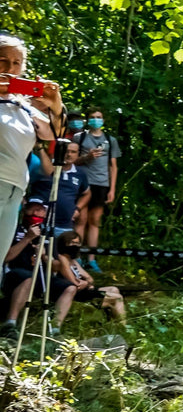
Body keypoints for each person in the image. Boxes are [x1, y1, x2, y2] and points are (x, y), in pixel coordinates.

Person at [0, 35, 63, 260]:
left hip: (15, 190)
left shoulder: (23, 106)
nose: (9, 68)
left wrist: (56, 105)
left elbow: (54, 132)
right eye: (3, 60)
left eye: (16, 63)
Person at [71, 108, 120, 270]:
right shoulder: (80, 137)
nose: (96, 120)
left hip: (101, 184)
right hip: (83, 183)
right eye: (92, 117)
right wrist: (87, 157)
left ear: (103, 120)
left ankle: (91, 259)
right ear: (87, 120)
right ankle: (75, 257)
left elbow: (113, 166)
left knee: (94, 221)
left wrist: (112, 189)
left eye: (99, 117)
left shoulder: (110, 140)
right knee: (81, 219)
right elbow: (72, 160)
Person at [0, 198, 51, 336]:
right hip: (14, 273)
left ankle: (55, 329)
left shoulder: (48, 233)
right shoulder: (13, 228)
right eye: (32, 209)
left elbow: (56, 265)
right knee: (28, 279)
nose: (36, 213)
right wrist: (27, 238)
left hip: (41, 274)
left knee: (67, 286)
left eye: (40, 210)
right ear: (24, 210)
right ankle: (10, 323)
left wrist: (43, 256)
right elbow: (5, 257)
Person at [53, 231, 123, 324]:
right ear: (64, 244)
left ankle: (112, 323)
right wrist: (85, 283)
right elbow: (73, 282)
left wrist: (86, 282)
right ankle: (123, 326)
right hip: (75, 293)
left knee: (113, 289)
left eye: (77, 243)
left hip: (84, 290)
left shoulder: (73, 261)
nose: (75, 246)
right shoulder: (62, 258)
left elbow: (90, 278)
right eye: (72, 243)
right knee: (117, 298)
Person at [27, 139, 86, 236]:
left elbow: (86, 193)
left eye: (73, 152)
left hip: (64, 227)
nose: (69, 155)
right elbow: (47, 172)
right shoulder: (45, 166)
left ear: (78, 154)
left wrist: (78, 209)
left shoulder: (80, 174)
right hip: (39, 225)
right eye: (66, 151)